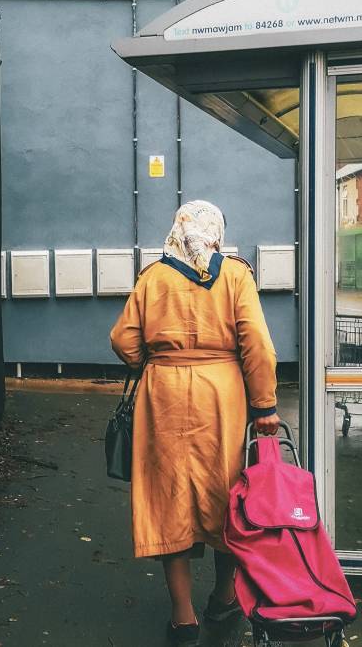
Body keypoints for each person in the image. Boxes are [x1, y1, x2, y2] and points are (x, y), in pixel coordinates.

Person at [110, 200, 280, 647]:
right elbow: (257, 345)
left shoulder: (154, 277)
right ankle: (223, 598)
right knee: (226, 494)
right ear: (216, 232)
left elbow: (123, 340)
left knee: (170, 496)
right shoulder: (236, 275)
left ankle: (182, 617)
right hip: (220, 394)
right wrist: (264, 406)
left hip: (162, 393)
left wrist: (154, 359)